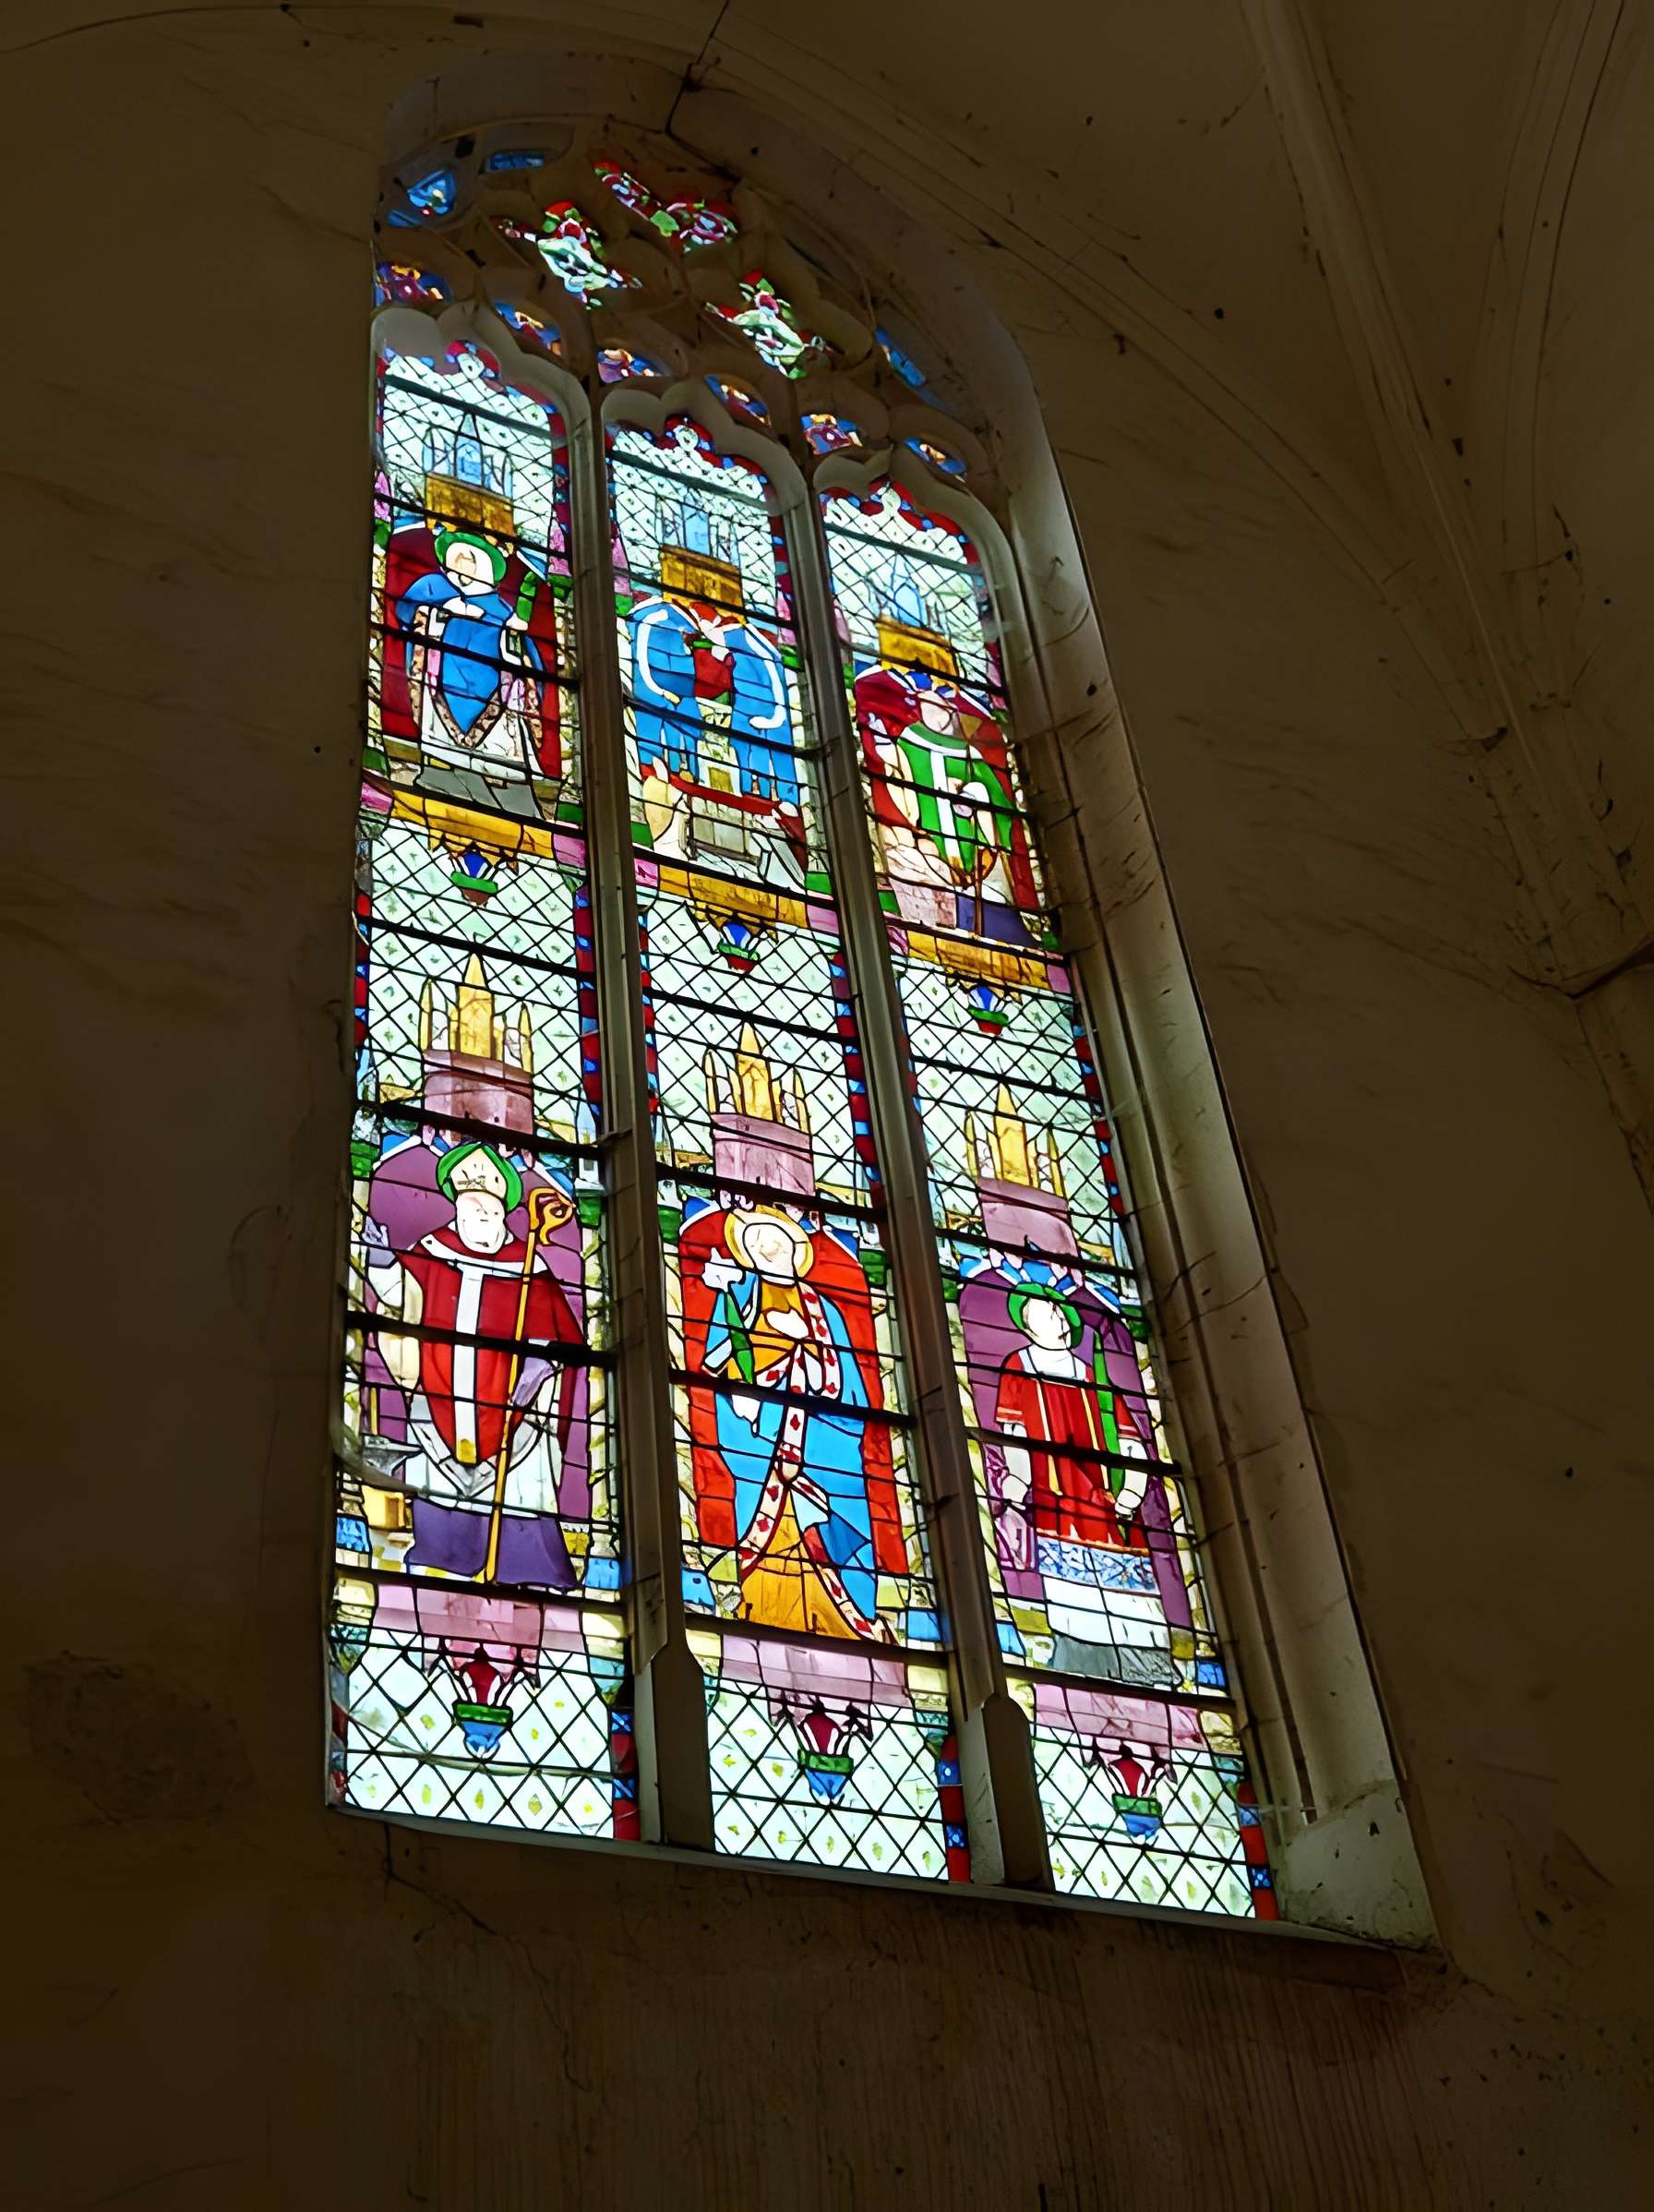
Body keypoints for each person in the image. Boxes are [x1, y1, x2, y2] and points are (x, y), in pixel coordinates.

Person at [363, 1142, 581, 1585]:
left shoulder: (529, 1268)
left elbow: (562, 1337)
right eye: (469, 1209)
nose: (478, 1217)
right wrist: (384, 1261)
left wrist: (541, 1362)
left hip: (516, 1420)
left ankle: (527, 1570)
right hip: (439, 1400)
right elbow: (400, 1301)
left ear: (503, 1213)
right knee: (440, 1495)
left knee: (524, 1493)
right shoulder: (431, 1251)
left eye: (486, 1211)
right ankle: (443, 1561)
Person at [697, 1208, 893, 1638]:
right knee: (768, 1542)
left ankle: (849, 1620)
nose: (768, 1250)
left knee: (833, 1523)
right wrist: (743, 1391)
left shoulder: (826, 1312)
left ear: (795, 1249)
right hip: (759, 1438)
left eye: (777, 1242)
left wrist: (802, 1344)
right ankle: (760, 1609)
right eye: (757, 1245)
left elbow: (851, 1393)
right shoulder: (739, 1298)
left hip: (824, 1439)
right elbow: (716, 1359)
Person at [994, 1285, 1177, 1685]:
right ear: (1026, 1324)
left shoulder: (1092, 1375)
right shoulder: (1018, 1367)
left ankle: (1145, 1666)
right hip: (1056, 1498)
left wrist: (1131, 1490)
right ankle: (1080, 1659)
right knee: (1069, 1587)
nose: (1056, 1317)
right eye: (1043, 1312)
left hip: (1107, 1500)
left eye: (1058, 1310)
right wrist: (1017, 1481)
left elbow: (1128, 1440)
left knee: (1129, 1589)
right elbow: (1015, 1433)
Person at [394, 530, 546, 784]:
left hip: (495, 689)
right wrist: (438, 611)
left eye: (472, 560)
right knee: (440, 746)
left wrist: (512, 634)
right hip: (442, 679)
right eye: (458, 559)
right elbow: (407, 612)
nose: (464, 566)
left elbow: (526, 655)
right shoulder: (434, 591)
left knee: (500, 754)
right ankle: (439, 772)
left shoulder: (503, 612)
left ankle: (504, 784)